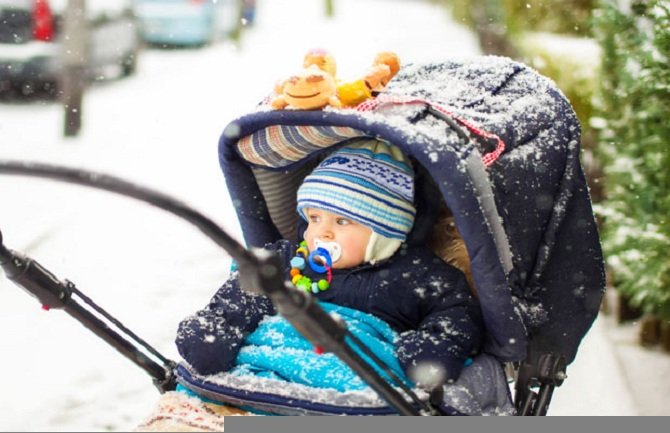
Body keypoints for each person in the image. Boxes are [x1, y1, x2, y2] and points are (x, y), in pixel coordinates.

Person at [175, 139, 484, 394]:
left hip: (352, 386)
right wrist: (216, 330)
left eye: (341, 221)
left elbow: (457, 315)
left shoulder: (419, 274)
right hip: (263, 378)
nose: (321, 232)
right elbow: (242, 295)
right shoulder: (285, 261)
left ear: (383, 234)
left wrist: (431, 351)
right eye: (313, 218)